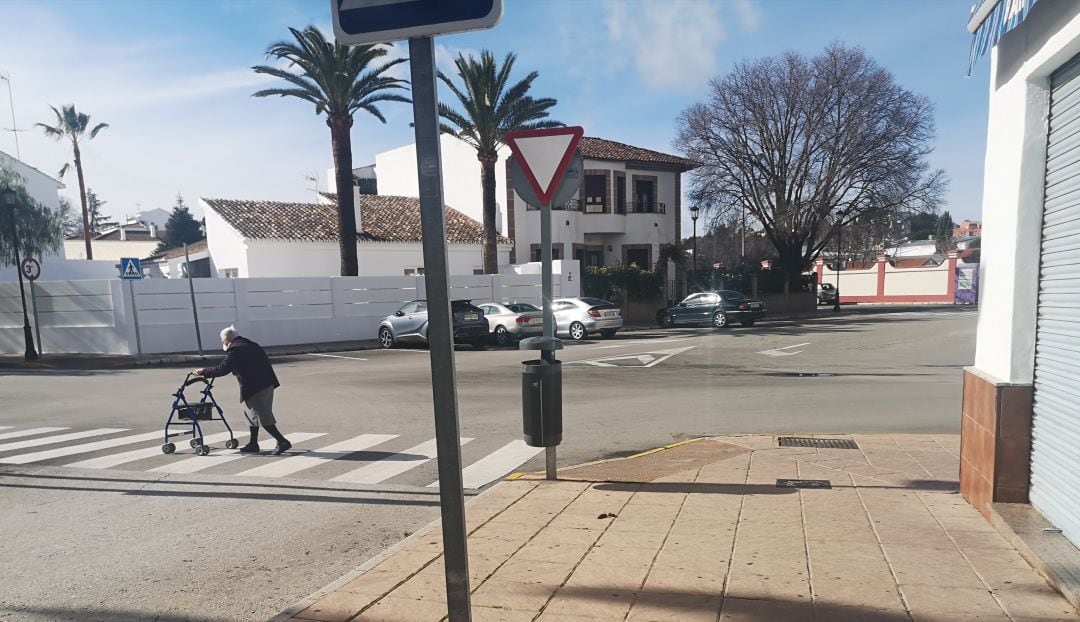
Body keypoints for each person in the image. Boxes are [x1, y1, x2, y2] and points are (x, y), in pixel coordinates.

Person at [193, 326, 291, 455]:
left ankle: (282, 441)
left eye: (223, 342)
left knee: (262, 416)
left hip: (256, 386)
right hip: (265, 383)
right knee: (251, 414)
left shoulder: (236, 349)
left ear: (227, 340)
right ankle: (253, 443)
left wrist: (203, 372)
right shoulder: (250, 344)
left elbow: (223, 369)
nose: (224, 344)